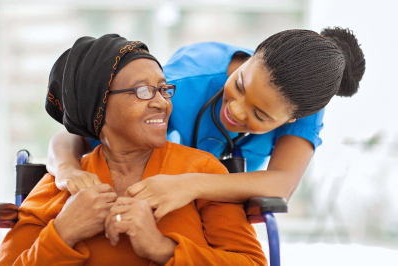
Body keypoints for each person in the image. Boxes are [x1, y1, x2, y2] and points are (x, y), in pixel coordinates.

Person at [0, 34, 266, 266]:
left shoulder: (202, 170)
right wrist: (63, 232)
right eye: (143, 91)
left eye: (163, 89)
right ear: (98, 106)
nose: (162, 102)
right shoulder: (61, 184)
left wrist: (161, 248)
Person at [47, 27, 366, 221]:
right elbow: (71, 135)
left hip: (204, 218)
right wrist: (67, 170)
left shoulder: (303, 104)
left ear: (292, 119)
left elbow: (281, 185)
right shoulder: (182, 83)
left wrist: (189, 184)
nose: (237, 112)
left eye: (260, 115)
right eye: (239, 85)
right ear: (252, 57)